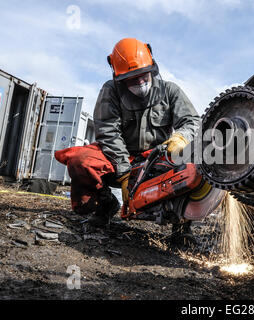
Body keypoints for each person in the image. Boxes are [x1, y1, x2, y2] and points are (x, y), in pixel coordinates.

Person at [56, 38, 201, 230]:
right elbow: (108, 132)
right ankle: (105, 205)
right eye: (133, 78)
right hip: (118, 157)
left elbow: (192, 122)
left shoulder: (170, 91)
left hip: (156, 158)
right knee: (81, 162)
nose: (140, 82)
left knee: (193, 162)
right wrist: (125, 173)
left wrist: (181, 137)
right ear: (120, 77)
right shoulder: (111, 91)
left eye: (143, 75)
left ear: (151, 68)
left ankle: (182, 228)